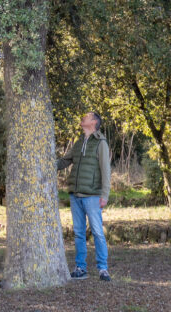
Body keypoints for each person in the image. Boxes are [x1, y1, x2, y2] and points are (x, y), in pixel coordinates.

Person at [57, 110, 111, 281]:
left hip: (93, 196)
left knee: (97, 232)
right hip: (76, 195)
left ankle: (103, 268)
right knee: (79, 233)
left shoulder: (100, 143)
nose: (82, 118)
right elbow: (66, 160)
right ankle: (81, 268)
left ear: (94, 122)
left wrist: (105, 194)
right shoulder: (80, 141)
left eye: (86, 117)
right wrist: (47, 164)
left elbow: (106, 170)